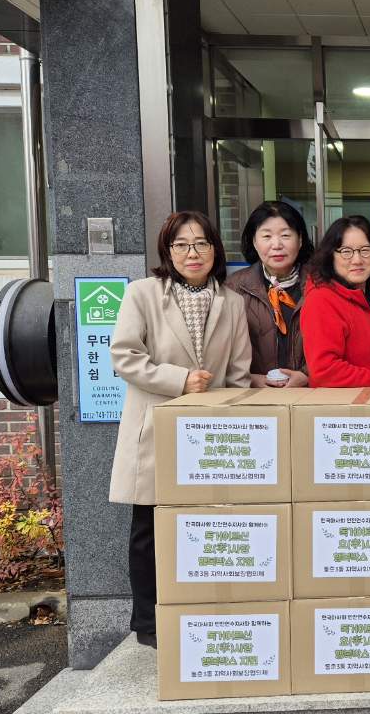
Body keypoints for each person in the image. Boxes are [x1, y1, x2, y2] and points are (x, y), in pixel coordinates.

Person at [109, 211, 252, 648]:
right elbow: (125, 356)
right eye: (182, 245)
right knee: (148, 529)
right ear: (167, 251)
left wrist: (229, 416)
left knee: (206, 527)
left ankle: (202, 611)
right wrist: (179, 380)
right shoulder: (143, 294)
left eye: (202, 243)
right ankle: (148, 624)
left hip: (211, 435)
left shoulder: (232, 301)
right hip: (155, 425)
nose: (193, 253)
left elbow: (241, 372)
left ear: (216, 249)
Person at [299, 215, 370, 387]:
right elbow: (325, 372)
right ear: (331, 256)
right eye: (346, 251)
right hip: (348, 410)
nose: (357, 260)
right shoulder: (321, 300)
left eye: (365, 250)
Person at [226, 201, 314, 389]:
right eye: (266, 236)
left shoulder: (322, 285)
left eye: (285, 235)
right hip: (253, 399)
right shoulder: (234, 287)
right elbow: (222, 350)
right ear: (254, 242)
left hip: (309, 394)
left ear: (300, 240)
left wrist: (307, 375)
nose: (277, 244)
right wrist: (248, 379)